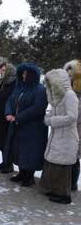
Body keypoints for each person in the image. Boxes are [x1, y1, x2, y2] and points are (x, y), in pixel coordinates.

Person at [39, 69, 79, 204]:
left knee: (62, 166)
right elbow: (54, 112)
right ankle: (55, 190)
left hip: (67, 137)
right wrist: (48, 117)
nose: (50, 86)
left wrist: (52, 121)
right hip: (57, 135)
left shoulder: (69, 95)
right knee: (54, 163)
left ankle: (64, 196)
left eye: (52, 83)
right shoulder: (57, 97)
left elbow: (72, 117)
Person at [5, 63, 48, 187]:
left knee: (30, 151)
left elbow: (38, 108)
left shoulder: (40, 90)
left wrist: (18, 117)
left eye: (26, 74)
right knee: (19, 150)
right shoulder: (20, 87)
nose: (24, 76)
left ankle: (29, 176)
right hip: (18, 125)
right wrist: (8, 112)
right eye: (22, 73)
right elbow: (10, 100)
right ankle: (22, 173)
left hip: (33, 127)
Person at [64, 59, 81, 191]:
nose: (69, 78)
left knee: (74, 156)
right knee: (68, 155)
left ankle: (72, 183)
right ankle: (67, 182)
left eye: (71, 76)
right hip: (67, 128)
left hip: (77, 129)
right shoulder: (69, 92)